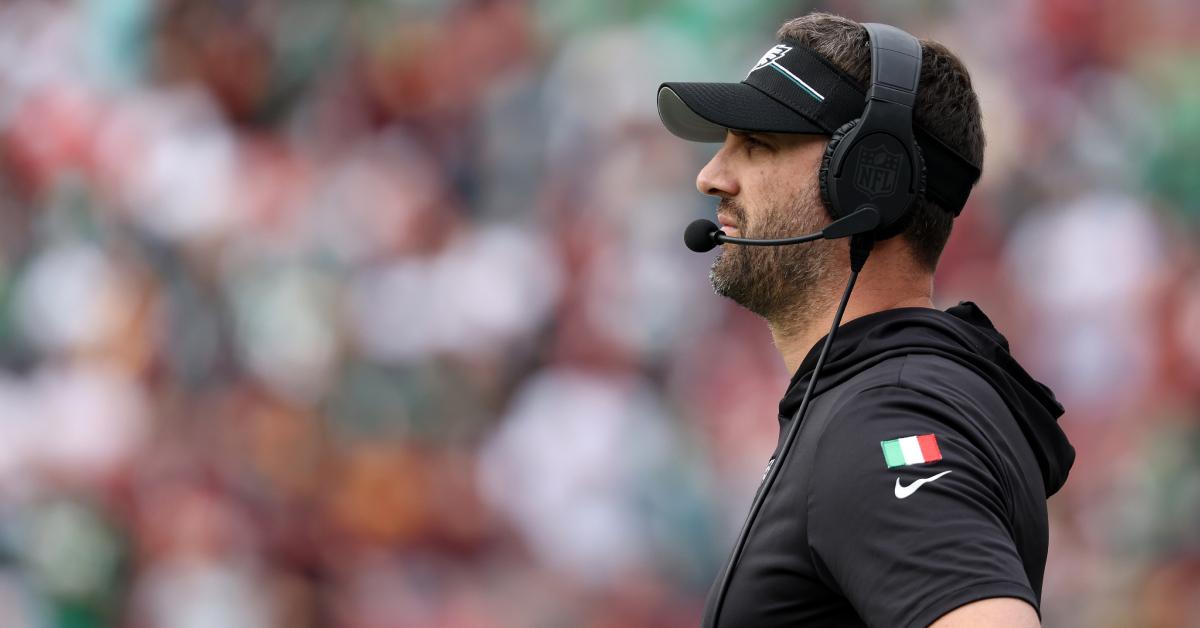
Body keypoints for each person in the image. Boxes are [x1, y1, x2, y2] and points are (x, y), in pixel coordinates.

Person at [655, 13, 1075, 628]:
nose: (710, 176)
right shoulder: (884, 396)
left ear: (866, 179)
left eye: (756, 144)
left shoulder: (887, 415)